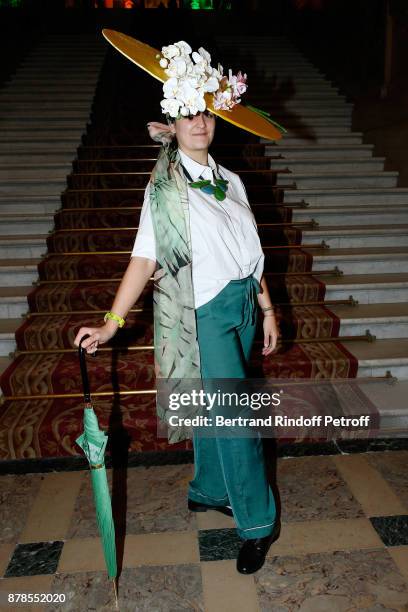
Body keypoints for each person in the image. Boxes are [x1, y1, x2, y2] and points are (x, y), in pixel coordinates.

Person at [74, 32, 285, 574]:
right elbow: (144, 258)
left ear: (216, 122)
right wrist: (111, 324)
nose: (200, 124)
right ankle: (258, 524)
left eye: (207, 115)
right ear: (175, 118)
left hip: (240, 305)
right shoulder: (164, 188)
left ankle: (210, 488)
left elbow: (250, 254)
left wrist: (265, 309)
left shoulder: (231, 181)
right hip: (206, 313)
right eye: (190, 114)